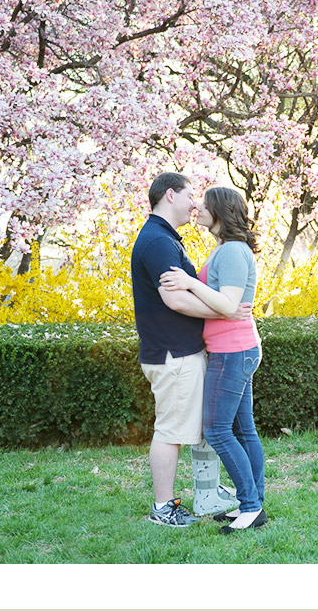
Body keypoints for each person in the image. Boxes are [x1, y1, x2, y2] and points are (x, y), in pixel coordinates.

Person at [131, 172, 247, 527]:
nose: (195, 203)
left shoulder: (164, 238)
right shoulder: (157, 241)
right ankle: (163, 508)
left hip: (182, 351)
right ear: (170, 195)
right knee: (170, 431)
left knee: (200, 426)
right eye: (189, 195)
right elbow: (176, 300)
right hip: (173, 354)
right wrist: (225, 311)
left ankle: (207, 493)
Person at [160, 186, 267, 532]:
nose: (197, 208)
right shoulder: (225, 248)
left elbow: (228, 304)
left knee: (218, 431)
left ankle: (250, 506)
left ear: (220, 211)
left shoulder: (233, 250)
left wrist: (189, 283)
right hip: (232, 349)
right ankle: (254, 503)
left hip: (233, 351)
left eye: (204, 205)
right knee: (242, 430)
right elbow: (224, 303)